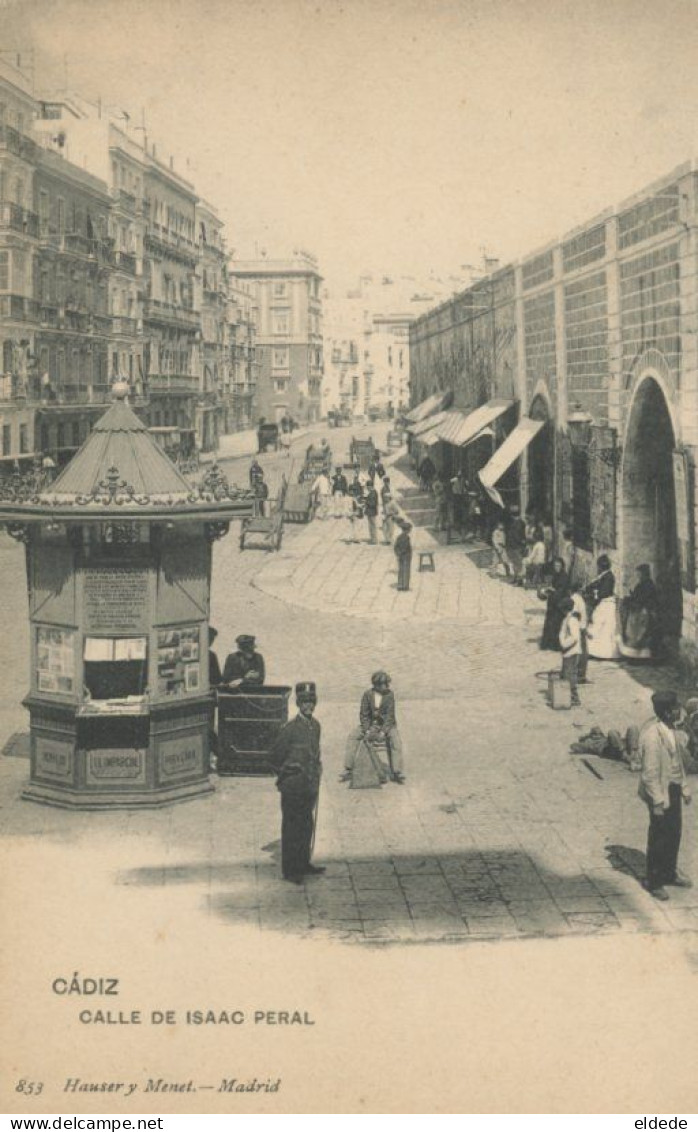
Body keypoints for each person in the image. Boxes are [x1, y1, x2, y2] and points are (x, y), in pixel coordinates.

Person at [638, 689, 692, 900]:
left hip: (674, 787)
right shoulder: (652, 736)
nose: (680, 711)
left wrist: (684, 789)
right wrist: (657, 802)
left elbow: (678, 763)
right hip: (659, 791)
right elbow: (650, 774)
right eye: (676, 708)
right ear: (668, 712)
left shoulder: (672, 729)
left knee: (674, 832)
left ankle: (670, 872)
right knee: (659, 836)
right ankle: (654, 880)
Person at [273, 682, 325, 884]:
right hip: (293, 787)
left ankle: (303, 863)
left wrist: (317, 769)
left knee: (306, 825)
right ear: (298, 704)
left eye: (311, 702)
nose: (308, 706)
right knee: (291, 828)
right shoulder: (290, 729)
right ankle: (290, 871)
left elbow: (314, 753)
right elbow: (275, 756)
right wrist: (288, 771)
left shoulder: (316, 726)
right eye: (304, 702)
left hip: (309, 785)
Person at [342, 671, 405, 785]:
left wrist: (383, 732)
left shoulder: (390, 695)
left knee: (396, 741)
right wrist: (366, 730)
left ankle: (397, 772)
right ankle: (349, 769)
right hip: (370, 725)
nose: (385, 686)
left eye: (386, 684)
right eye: (382, 684)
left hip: (387, 726)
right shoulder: (367, 695)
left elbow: (390, 717)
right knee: (353, 736)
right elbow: (363, 714)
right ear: (375, 685)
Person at [620, 564, 660, 659]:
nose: (638, 576)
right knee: (636, 634)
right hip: (639, 610)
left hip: (644, 612)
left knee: (640, 634)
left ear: (644, 574)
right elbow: (637, 596)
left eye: (639, 573)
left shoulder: (648, 585)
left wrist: (632, 599)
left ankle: (640, 656)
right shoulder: (642, 584)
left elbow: (643, 599)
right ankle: (635, 655)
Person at [585, 554, 620, 660]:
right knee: (600, 626)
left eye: (599, 566)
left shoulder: (608, 577)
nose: (599, 568)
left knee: (603, 626)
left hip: (607, 603)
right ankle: (596, 651)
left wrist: (594, 594)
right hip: (604, 603)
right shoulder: (603, 576)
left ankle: (603, 653)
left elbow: (604, 592)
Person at [539, 557, 569, 650]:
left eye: (559, 565)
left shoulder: (564, 576)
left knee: (556, 623)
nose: (557, 567)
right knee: (549, 622)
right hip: (553, 602)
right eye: (555, 565)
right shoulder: (554, 575)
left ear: (562, 566)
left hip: (559, 603)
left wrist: (552, 591)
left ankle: (555, 644)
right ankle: (547, 643)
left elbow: (562, 590)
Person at [558, 597, 582, 706]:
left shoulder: (572, 620)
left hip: (571, 651)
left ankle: (573, 697)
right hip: (569, 651)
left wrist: (564, 644)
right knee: (566, 673)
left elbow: (574, 637)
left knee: (570, 674)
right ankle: (566, 695)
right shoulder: (569, 618)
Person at [570, 582, 590, 684]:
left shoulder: (578, 598)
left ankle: (579, 674)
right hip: (578, 629)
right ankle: (579, 675)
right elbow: (574, 614)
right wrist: (581, 628)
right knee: (582, 653)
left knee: (581, 653)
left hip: (580, 628)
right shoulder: (576, 599)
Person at [506, 505, 526, 585]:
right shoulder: (520, 522)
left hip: (515, 546)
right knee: (517, 563)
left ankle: (518, 580)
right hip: (515, 546)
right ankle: (516, 579)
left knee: (517, 563)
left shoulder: (515, 523)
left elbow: (517, 536)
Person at [394, 520, 413, 591]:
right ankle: (405, 586)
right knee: (406, 571)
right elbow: (406, 547)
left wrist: (398, 554)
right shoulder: (406, 538)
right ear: (407, 530)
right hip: (406, 557)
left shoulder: (399, 537)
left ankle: (400, 585)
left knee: (401, 571)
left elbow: (395, 547)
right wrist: (403, 553)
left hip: (400, 557)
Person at [347, 472, 364, 542]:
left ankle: (353, 537)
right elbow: (353, 505)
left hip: (354, 512)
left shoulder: (353, 497)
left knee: (353, 525)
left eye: (353, 491)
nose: (352, 492)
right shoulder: (350, 498)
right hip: (353, 512)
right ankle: (354, 538)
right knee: (354, 525)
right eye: (352, 491)